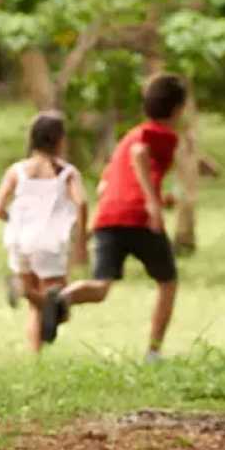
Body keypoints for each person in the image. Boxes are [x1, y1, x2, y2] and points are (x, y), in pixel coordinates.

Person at [42, 73, 187, 363]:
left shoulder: (128, 136)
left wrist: (157, 198)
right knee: (168, 283)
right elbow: (140, 155)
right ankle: (153, 352)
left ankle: (62, 299)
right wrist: (152, 204)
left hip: (109, 217)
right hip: (140, 218)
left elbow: (105, 185)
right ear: (178, 109)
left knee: (100, 288)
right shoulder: (161, 135)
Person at [0, 111, 87, 352]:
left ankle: (35, 357)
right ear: (59, 140)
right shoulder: (66, 173)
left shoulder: (17, 170)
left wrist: (14, 222)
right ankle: (24, 290)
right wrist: (81, 239)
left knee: (38, 306)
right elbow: (82, 202)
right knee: (60, 306)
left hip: (19, 240)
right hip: (50, 243)